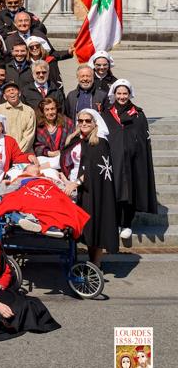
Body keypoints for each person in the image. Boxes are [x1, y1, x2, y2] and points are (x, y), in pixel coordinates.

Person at [62, 109, 118, 265]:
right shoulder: (78, 139)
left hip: (94, 190)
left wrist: (76, 183)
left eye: (88, 121)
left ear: (95, 123)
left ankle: (96, 263)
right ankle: (90, 262)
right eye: (81, 121)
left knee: (95, 224)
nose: (84, 123)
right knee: (88, 227)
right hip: (78, 187)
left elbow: (93, 170)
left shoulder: (99, 142)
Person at [104, 81, 156, 240]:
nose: (121, 97)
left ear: (129, 94)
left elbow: (143, 139)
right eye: (119, 93)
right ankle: (116, 221)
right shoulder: (106, 114)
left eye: (124, 94)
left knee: (130, 191)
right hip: (113, 160)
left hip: (133, 161)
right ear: (114, 94)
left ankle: (127, 223)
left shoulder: (138, 114)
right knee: (115, 191)